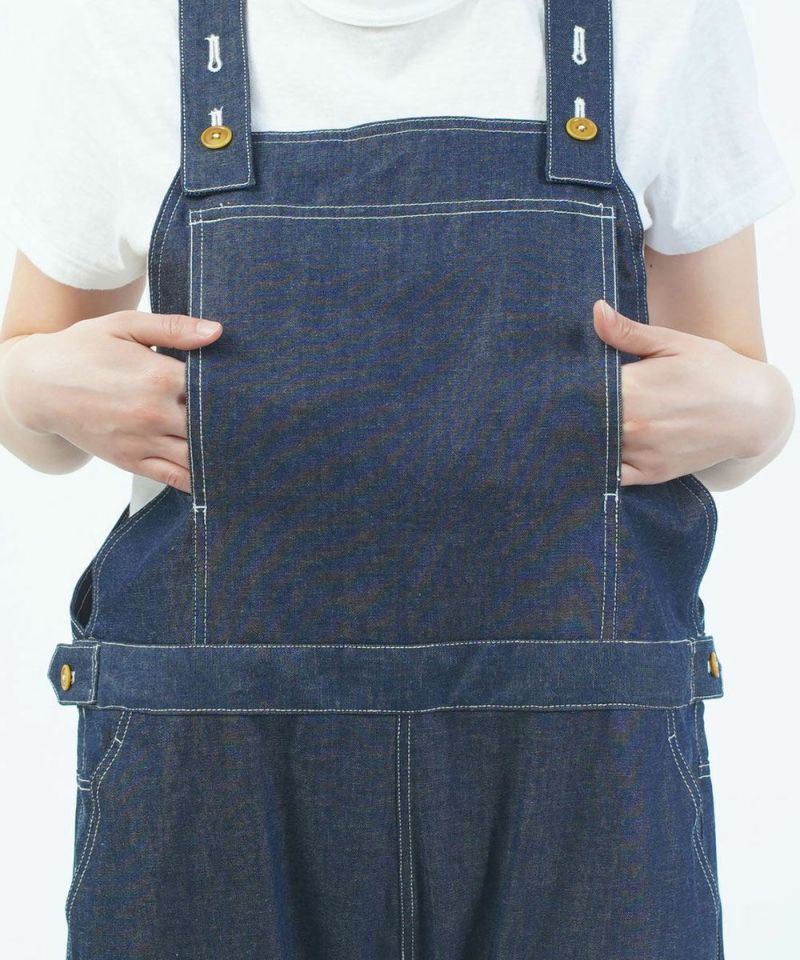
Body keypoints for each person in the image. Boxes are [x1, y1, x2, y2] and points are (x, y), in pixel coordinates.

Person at [0, 1, 794, 958]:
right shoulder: (125, 23)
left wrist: (764, 410)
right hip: (212, 764)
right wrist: (26, 382)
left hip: (586, 767)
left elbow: (728, 407)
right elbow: (33, 419)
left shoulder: (661, 18)